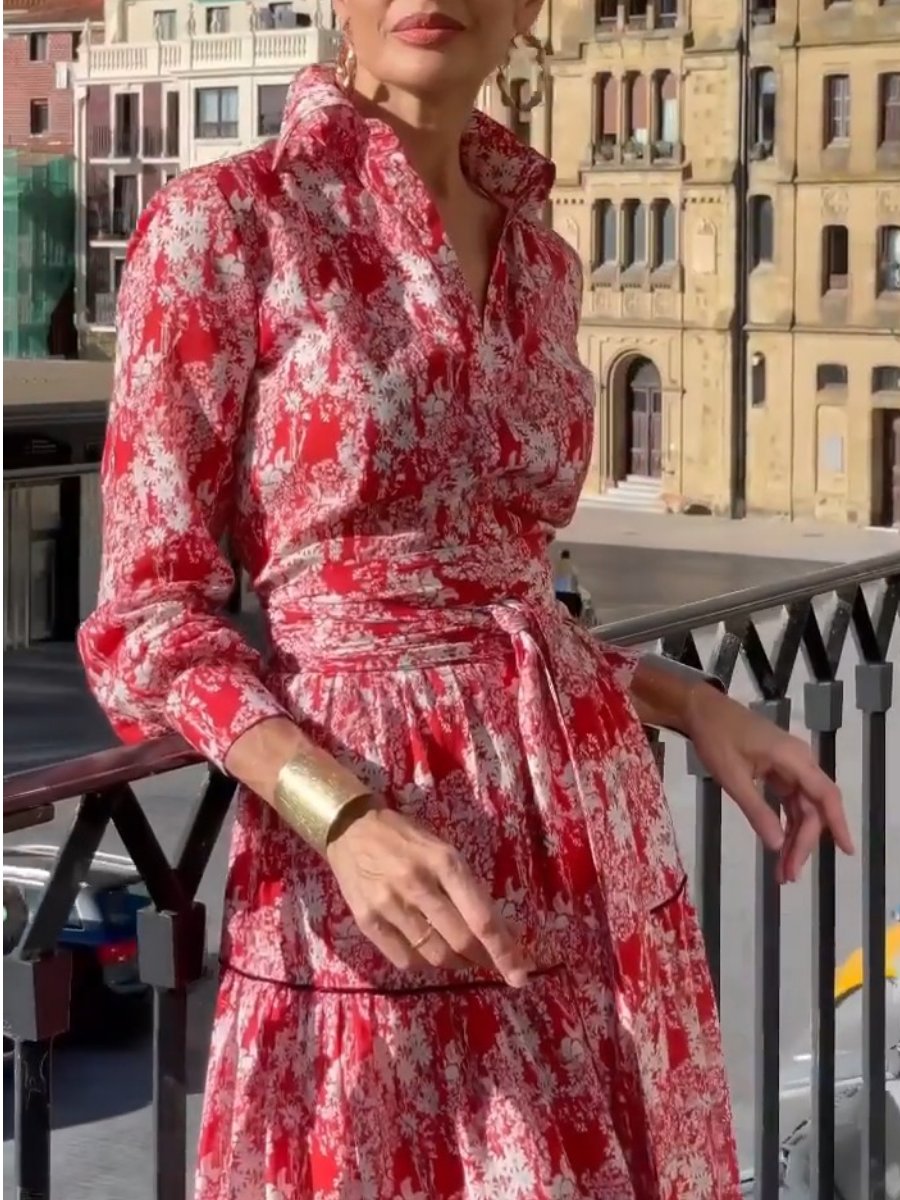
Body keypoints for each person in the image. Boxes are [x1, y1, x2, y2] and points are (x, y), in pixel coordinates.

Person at [78, 3, 854, 1196]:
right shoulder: (226, 227)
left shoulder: (544, 260)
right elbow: (146, 620)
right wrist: (338, 816)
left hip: (598, 857)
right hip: (385, 873)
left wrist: (693, 701)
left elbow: (500, 595)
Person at [553, 548, 583, 620]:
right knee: (578, 604)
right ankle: (577, 618)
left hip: (557, 594)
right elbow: (575, 582)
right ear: (568, 556)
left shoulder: (556, 565)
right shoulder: (572, 566)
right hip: (570, 594)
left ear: (561, 556)